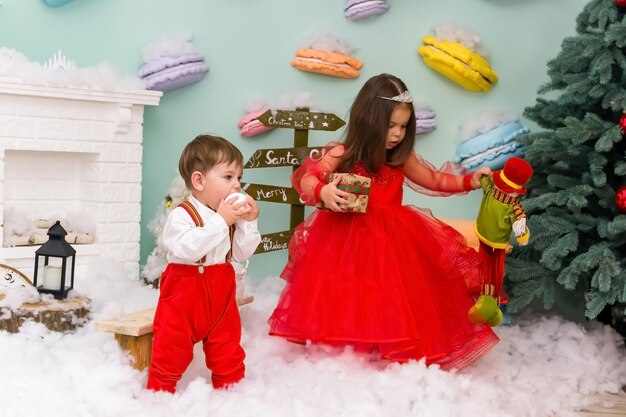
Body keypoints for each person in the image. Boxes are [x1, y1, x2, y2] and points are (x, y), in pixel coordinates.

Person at [268, 73, 499, 370]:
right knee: (351, 289)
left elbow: (434, 179)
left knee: (395, 290)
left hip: (394, 237)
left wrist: (469, 180)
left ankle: (392, 338)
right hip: (345, 237)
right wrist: (323, 189)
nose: (397, 134)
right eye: (390, 126)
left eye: (403, 126)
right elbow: (307, 175)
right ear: (368, 120)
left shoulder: (399, 158)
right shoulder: (343, 153)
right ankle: (353, 334)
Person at [147, 134, 261, 393]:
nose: (237, 186)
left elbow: (241, 253)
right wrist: (222, 221)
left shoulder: (228, 215)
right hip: (185, 292)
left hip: (221, 287)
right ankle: (159, 396)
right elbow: (187, 249)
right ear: (199, 180)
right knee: (171, 346)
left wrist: (248, 222)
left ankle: (231, 391)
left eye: (239, 178)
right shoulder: (182, 215)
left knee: (227, 345)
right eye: (228, 177)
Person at [468, 157, 533, 327]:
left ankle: (489, 306)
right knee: (485, 271)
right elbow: (482, 178)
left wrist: (522, 232)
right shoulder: (491, 188)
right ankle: (490, 307)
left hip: (496, 245)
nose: (505, 192)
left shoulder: (509, 202)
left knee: (493, 275)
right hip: (483, 236)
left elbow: (521, 227)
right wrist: (482, 174)